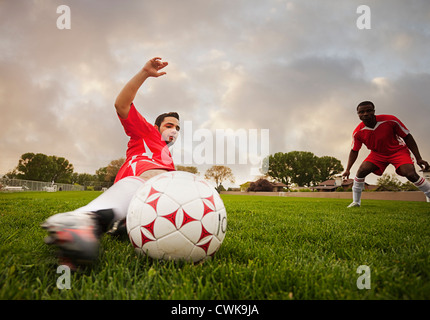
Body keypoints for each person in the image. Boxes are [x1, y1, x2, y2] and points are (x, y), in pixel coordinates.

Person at [42, 57, 180, 269]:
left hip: (147, 200)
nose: (174, 130)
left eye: (178, 128)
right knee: (157, 178)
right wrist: (144, 72)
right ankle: (85, 219)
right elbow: (121, 104)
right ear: (156, 126)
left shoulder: (168, 157)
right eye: (170, 125)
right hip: (141, 182)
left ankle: (102, 231)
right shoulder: (147, 132)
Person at [342, 101, 430, 208]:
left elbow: (407, 137)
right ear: (358, 114)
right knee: (361, 171)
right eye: (361, 112)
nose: (365, 114)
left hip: (398, 151)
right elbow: (354, 150)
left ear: (374, 111)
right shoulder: (358, 132)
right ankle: (356, 202)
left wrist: (419, 158)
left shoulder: (390, 120)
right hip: (377, 154)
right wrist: (348, 169)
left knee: (410, 174)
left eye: (368, 110)